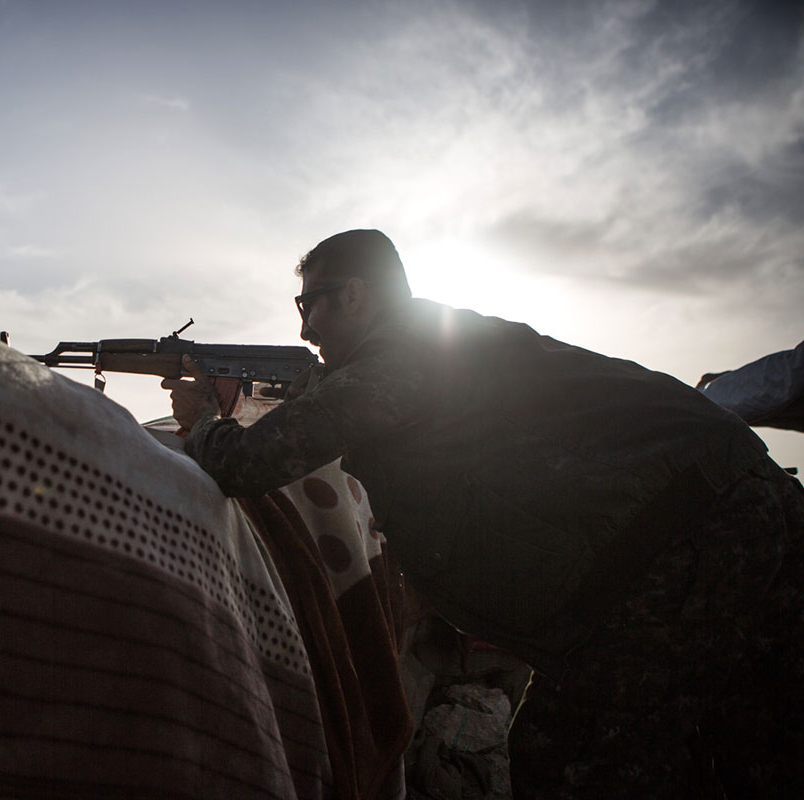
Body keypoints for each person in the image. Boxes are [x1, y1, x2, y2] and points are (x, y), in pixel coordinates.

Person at [162, 229, 804, 799]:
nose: (305, 329)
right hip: (733, 504)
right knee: (745, 751)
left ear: (355, 293)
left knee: (571, 758)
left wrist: (204, 423)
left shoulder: (406, 352)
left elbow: (253, 464)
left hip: (688, 531)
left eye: (311, 305)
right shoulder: (434, 346)